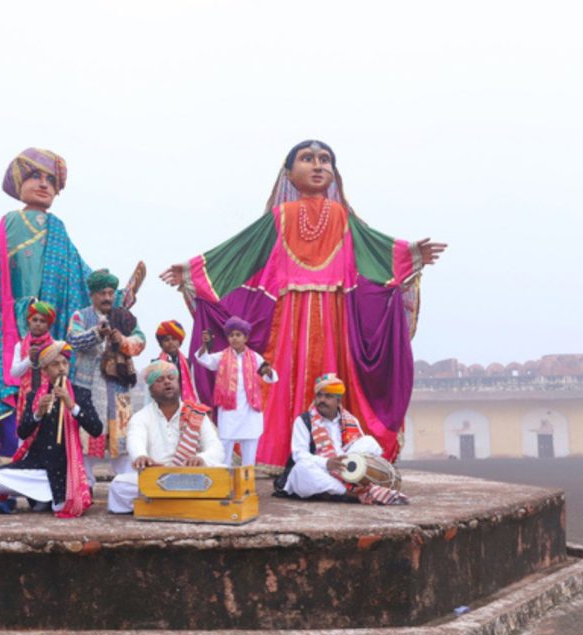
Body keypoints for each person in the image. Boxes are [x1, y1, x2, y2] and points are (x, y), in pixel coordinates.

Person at [160, 140, 446, 470]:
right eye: (307, 159)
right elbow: (238, 252)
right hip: (287, 319)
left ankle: (339, 453)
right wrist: (193, 271)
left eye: (325, 160)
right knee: (281, 381)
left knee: (335, 376)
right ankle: (278, 451)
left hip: (335, 316)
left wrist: (408, 254)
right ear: (290, 174)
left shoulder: (341, 216)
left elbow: (373, 247)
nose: (318, 165)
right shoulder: (280, 217)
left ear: (334, 174)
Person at [0, 148, 144, 455]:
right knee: (13, 383)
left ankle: (52, 459)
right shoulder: (8, 224)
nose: (44, 184)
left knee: (51, 388)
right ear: (19, 184)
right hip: (9, 324)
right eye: (35, 176)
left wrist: (119, 297)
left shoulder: (57, 228)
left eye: (50, 180)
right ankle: (14, 458)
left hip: (51, 321)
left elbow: (82, 276)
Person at [0, 341, 102, 517]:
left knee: (61, 507)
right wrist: (37, 413)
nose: (61, 368)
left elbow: (96, 429)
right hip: (37, 466)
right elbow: (22, 432)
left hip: (66, 469)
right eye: (55, 364)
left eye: (64, 363)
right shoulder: (35, 395)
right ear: (45, 371)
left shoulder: (80, 394)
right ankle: (41, 497)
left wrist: (72, 405)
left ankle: (46, 498)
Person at [108, 361, 225, 514]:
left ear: (178, 383)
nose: (167, 382)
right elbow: (135, 439)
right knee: (120, 485)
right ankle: (190, 505)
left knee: (225, 474)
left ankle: (159, 505)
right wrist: (141, 456)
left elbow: (216, 449)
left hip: (190, 476)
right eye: (160, 380)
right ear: (150, 390)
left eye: (171, 378)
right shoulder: (141, 417)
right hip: (157, 478)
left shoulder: (197, 414)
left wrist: (202, 458)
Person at [67, 268, 146, 481]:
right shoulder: (80, 316)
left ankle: (126, 484)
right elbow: (73, 340)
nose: (107, 297)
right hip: (87, 387)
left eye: (111, 293)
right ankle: (85, 486)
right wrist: (96, 334)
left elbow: (140, 341)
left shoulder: (125, 317)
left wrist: (123, 341)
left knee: (121, 438)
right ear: (92, 295)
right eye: (102, 293)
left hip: (118, 386)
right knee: (87, 439)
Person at [281, 373, 407, 505]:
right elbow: (299, 455)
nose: (321, 400)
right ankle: (349, 493)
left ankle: (338, 489)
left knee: (369, 442)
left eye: (328, 396)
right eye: (319, 395)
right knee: (302, 468)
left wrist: (343, 463)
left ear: (338, 401)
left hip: (344, 470)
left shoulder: (350, 420)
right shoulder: (303, 421)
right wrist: (327, 463)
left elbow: (360, 452)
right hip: (319, 470)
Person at [193, 316, 277, 467]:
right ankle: (224, 483)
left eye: (238, 335)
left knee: (250, 451)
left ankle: (246, 486)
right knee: (225, 447)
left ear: (246, 337)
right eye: (231, 335)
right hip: (229, 411)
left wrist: (268, 372)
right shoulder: (221, 356)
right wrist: (205, 345)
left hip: (250, 411)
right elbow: (204, 360)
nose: (234, 338)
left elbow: (270, 376)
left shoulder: (255, 357)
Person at [8, 299, 57, 425]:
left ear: (49, 325)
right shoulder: (20, 345)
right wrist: (29, 359)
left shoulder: (56, 346)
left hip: (49, 397)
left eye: (42, 321)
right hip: (27, 397)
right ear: (29, 321)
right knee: (25, 434)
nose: (38, 324)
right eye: (35, 320)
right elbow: (14, 373)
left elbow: (61, 373)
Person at [153, 319, 198, 403]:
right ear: (161, 344)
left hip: (185, 407)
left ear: (179, 342)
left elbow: (193, 388)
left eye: (174, 339)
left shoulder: (188, 363)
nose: (170, 342)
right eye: (166, 340)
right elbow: (151, 393)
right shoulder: (155, 364)